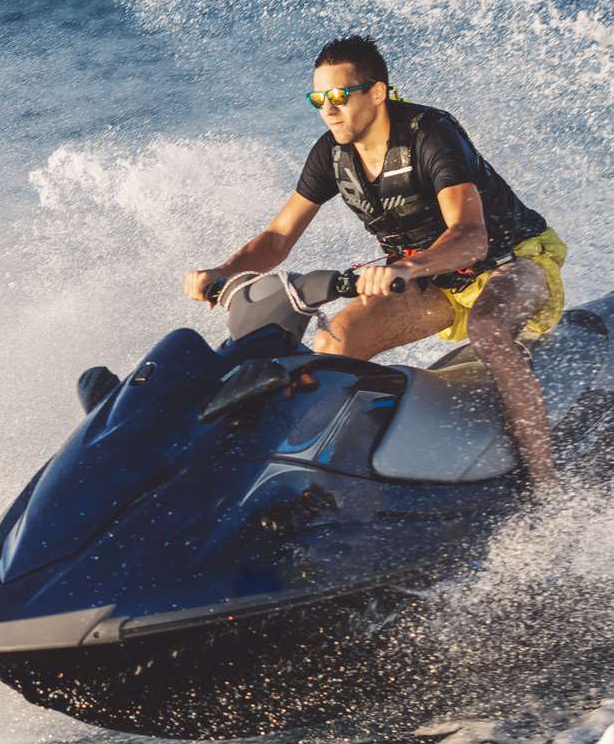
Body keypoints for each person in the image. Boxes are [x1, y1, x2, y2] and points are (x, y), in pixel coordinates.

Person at [186, 36, 570, 495]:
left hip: (512, 259)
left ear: (376, 93)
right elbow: (278, 238)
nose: (328, 109)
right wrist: (224, 271)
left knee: (487, 328)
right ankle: (316, 488)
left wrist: (406, 269)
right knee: (332, 345)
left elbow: (471, 236)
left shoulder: (430, 135)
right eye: (318, 99)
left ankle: (546, 486)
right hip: (433, 280)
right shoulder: (331, 153)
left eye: (339, 95)